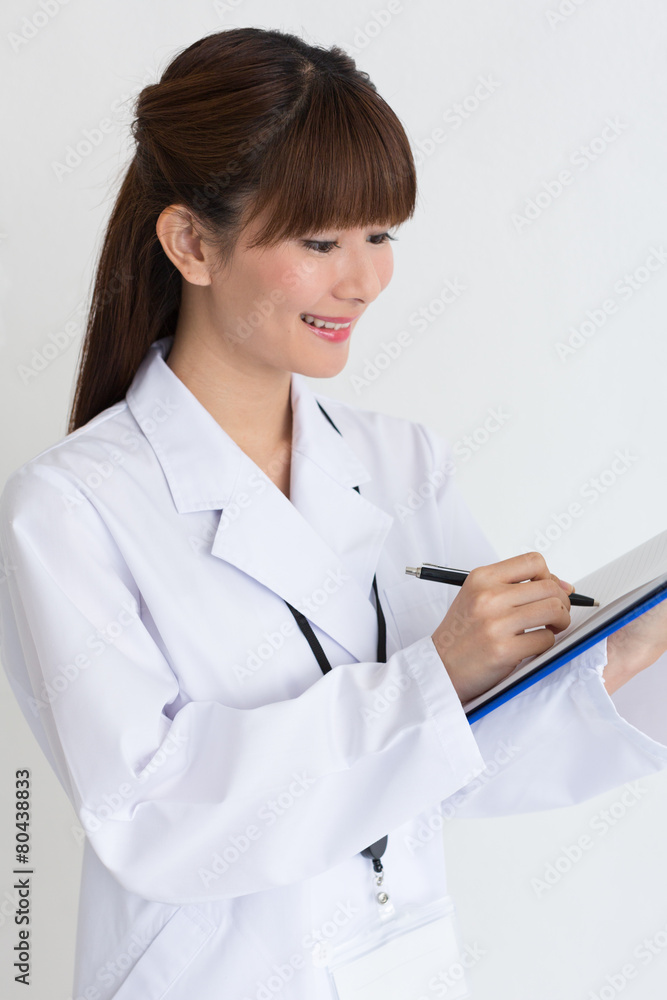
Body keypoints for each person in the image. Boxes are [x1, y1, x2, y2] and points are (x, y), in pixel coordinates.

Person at [1, 26, 666, 1000]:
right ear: (191, 243)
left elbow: (473, 753)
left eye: (379, 235)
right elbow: (149, 813)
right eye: (320, 243)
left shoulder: (401, 461)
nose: (363, 281)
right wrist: (436, 675)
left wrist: (627, 651)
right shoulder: (70, 508)